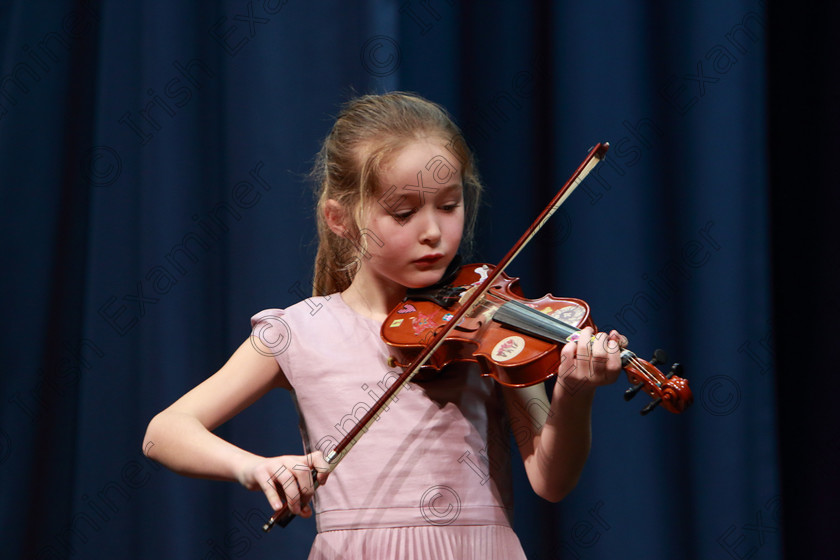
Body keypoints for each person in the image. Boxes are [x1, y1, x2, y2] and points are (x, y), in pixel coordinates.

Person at [143, 92, 627, 559]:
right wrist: (255, 468)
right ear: (340, 218)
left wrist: (574, 392)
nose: (433, 232)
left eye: (449, 205)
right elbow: (164, 431)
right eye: (403, 212)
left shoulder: (488, 322)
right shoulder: (298, 331)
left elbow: (551, 478)